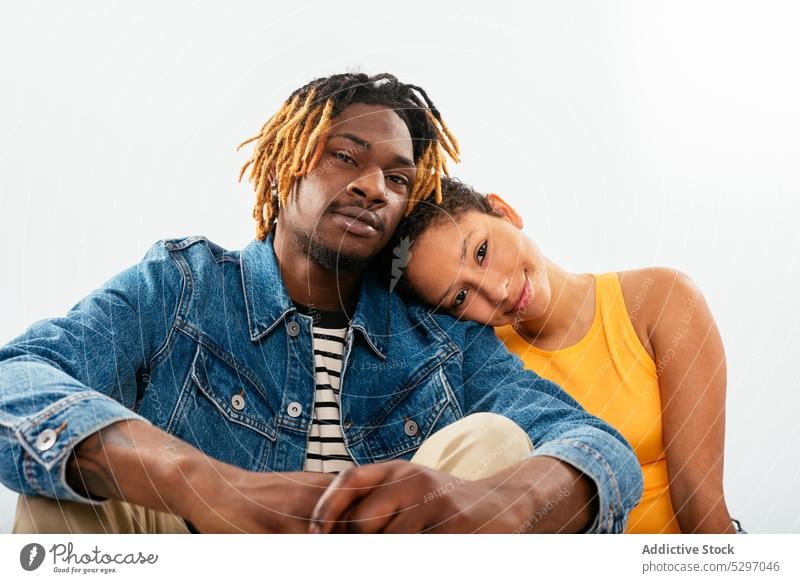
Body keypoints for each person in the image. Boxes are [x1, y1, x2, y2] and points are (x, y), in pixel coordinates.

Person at [0, 73, 642, 534]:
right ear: (283, 167)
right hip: (202, 556)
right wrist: (210, 485)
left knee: (496, 440)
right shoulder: (183, 286)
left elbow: (595, 445)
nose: (374, 188)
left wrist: (485, 504)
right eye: (345, 157)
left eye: (397, 178)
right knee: (62, 482)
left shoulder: (442, 339)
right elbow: (16, 379)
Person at [392, 176, 740, 533]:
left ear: (504, 211)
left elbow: (699, 500)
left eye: (482, 252)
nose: (497, 291)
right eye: (461, 297)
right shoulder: (487, 372)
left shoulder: (662, 299)